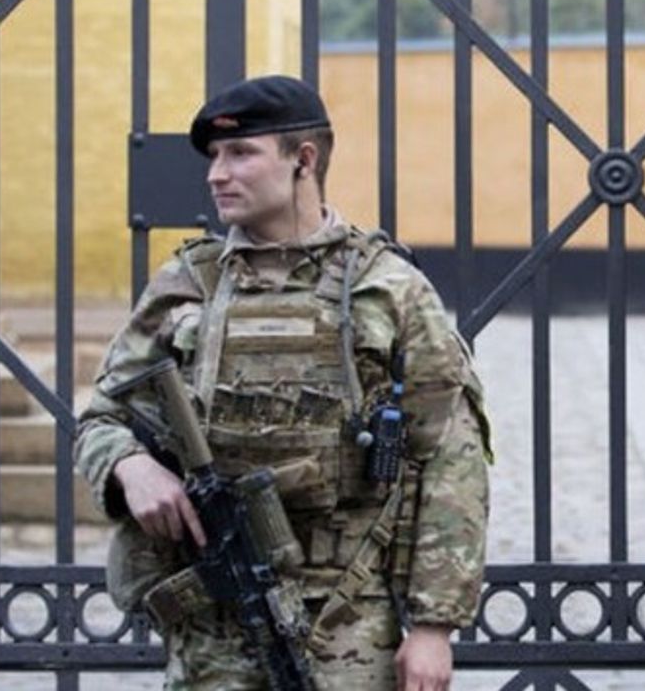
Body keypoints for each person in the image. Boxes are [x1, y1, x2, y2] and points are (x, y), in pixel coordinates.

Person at [76, 75, 491, 690]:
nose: (217, 174)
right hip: (214, 616)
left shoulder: (387, 289)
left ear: (304, 160)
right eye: (214, 156)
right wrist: (129, 467)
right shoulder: (188, 283)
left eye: (241, 153)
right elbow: (102, 417)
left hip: (346, 614)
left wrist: (434, 626)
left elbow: (453, 456)